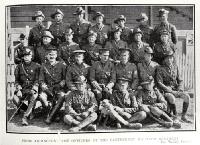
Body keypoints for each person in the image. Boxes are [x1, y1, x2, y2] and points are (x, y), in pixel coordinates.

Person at [156, 50, 192, 123]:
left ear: (172, 58)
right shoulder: (160, 68)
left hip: (176, 89)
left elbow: (180, 80)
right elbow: (159, 83)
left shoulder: (175, 67)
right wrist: (171, 91)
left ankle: (183, 116)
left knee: (187, 97)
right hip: (166, 91)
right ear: (164, 60)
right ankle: (175, 116)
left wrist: (180, 88)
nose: (169, 60)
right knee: (172, 98)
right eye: (167, 58)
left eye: (170, 58)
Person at [38, 48, 66, 124]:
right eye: (49, 54)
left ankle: (50, 117)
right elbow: (41, 79)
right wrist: (43, 85)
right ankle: (54, 113)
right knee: (41, 96)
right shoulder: (43, 66)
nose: (51, 56)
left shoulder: (62, 65)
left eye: (53, 54)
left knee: (62, 96)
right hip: (47, 88)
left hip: (58, 88)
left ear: (56, 55)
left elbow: (65, 78)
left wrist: (62, 82)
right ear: (46, 56)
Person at [14, 47, 40, 125]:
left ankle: (25, 117)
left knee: (34, 96)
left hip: (32, 89)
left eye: (28, 56)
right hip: (23, 89)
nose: (26, 57)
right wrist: (18, 89)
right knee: (14, 99)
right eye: (25, 56)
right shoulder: (19, 67)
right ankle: (30, 110)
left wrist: (34, 88)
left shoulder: (37, 66)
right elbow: (16, 80)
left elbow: (38, 79)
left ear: (31, 56)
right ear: (23, 57)